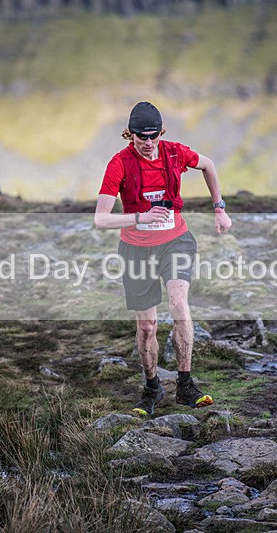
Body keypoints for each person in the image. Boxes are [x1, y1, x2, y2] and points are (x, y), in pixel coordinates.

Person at [94, 101, 232, 417]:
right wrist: (139, 218)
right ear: (130, 135)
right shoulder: (119, 164)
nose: (148, 143)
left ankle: (185, 384)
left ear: (161, 133)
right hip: (136, 248)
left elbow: (208, 165)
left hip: (176, 241)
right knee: (147, 327)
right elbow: (100, 220)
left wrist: (219, 208)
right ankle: (152, 387)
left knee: (179, 305)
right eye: (141, 137)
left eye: (153, 136)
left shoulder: (174, 153)